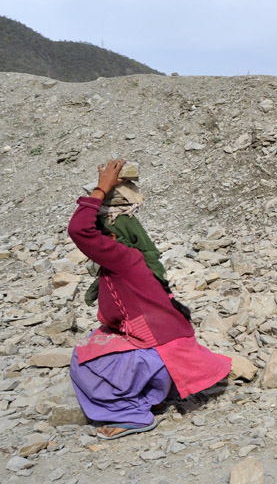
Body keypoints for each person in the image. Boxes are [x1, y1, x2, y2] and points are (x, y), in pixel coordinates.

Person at [67, 158, 231, 439]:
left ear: (112, 234)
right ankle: (158, 390)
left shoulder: (121, 258)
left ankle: (133, 416)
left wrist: (100, 188)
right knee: (101, 339)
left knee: (83, 361)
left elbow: (79, 230)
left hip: (160, 356)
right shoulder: (143, 259)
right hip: (172, 350)